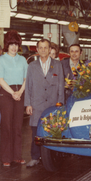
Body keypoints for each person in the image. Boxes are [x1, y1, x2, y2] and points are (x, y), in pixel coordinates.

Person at [24, 39, 64, 168]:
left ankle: (53, 156)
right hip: (37, 104)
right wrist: (28, 104)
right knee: (35, 132)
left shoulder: (57, 65)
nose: (43, 50)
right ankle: (35, 157)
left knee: (52, 131)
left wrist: (60, 102)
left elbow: (61, 85)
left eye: (45, 48)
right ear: (37, 49)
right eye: (40, 48)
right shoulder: (32, 66)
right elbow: (28, 86)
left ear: (49, 49)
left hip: (52, 104)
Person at [0, 30, 28, 166]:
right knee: (6, 126)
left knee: (17, 126)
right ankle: (5, 157)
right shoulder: (1, 59)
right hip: (6, 93)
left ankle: (17, 156)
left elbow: (27, 78)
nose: (14, 47)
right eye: (11, 44)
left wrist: (20, 91)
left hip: (20, 92)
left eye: (16, 44)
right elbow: (0, 79)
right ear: (7, 45)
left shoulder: (22, 60)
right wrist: (13, 93)